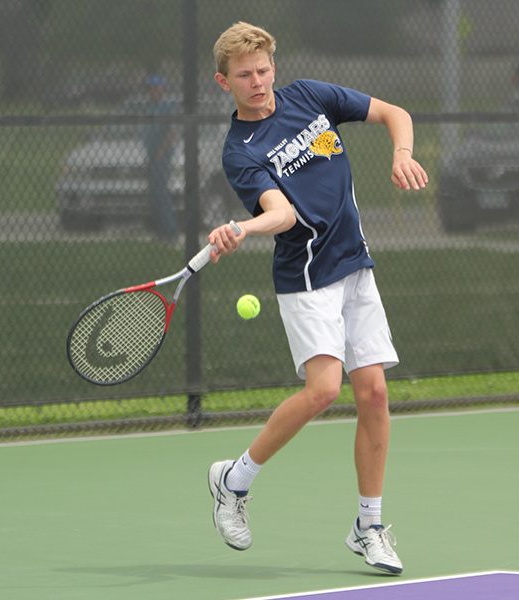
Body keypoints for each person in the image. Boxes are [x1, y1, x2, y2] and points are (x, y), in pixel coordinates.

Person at [204, 22, 428, 575]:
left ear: (273, 67)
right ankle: (234, 480)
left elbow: (394, 113)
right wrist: (245, 227)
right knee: (325, 390)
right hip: (307, 277)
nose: (257, 82)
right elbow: (280, 214)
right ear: (223, 82)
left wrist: (401, 153)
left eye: (262, 70)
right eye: (244, 76)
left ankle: (368, 526)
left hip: (356, 263)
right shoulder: (241, 151)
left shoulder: (310, 96)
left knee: (373, 394)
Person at [142, 74, 180, 242]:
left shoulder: (167, 107)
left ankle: (170, 232)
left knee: (162, 194)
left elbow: (173, 133)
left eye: (156, 88)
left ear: (162, 89)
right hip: (151, 156)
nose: (153, 91)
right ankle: (158, 231)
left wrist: (161, 152)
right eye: (151, 88)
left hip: (161, 157)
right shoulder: (149, 107)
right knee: (154, 194)